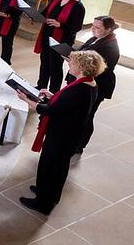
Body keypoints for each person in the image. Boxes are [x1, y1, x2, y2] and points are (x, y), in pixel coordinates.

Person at [17, 50, 105, 215]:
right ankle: (50, 194)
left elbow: (51, 110)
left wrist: (26, 99)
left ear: (81, 68)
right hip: (69, 134)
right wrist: (52, 95)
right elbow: (66, 104)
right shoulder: (88, 83)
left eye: (72, 63)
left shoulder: (80, 89)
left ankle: (42, 203)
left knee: (50, 167)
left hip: (61, 136)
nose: (69, 64)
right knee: (58, 168)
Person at [66, 16, 119, 154]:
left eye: (97, 27)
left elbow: (97, 69)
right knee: (76, 113)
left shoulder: (110, 47)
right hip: (81, 79)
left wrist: (75, 61)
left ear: (108, 29)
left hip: (96, 85)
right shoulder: (96, 38)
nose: (93, 29)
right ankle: (71, 138)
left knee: (87, 115)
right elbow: (83, 53)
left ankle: (79, 145)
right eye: (93, 26)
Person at [34, 0, 85, 93]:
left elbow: (76, 27)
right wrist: (34, 15)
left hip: (62, 41)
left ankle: (53, 92)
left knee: (55, 67)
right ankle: (41, 87)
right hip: (47, 36)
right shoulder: (56, 0)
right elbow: (44, 13)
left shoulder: (78, 7)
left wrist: (60, 25)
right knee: (45, 62)